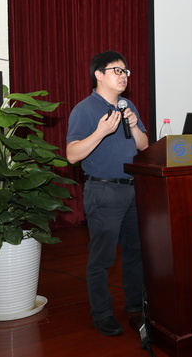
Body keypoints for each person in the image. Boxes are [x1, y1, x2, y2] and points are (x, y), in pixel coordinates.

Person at [66, 50, 149, 336]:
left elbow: (144, 146)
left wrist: (134, 126)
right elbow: (72, 155)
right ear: (99, 74)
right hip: (103, 190)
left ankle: (135, 304)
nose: (123, 76)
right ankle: (101, 314)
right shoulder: (85, 109)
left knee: (136, 252)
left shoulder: (128, 106)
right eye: (117, 70)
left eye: (126, 71)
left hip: (132, 189)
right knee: (102, 258)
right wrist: (100, 132)